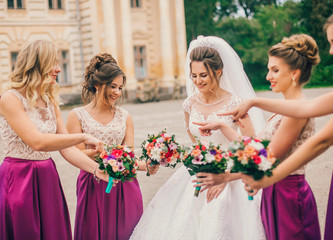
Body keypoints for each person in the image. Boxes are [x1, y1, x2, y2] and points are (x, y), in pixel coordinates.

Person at [211, 1, 333, 239]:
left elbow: (322, 140)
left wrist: (267, 177)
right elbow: (307, 106)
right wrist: (254, 102)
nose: (331, 51)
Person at [130, 36, 266, 240]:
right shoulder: (189, 104)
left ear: (218, 72)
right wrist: (197, 155)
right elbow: (190, 131)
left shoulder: (236, 103)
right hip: (196, 171)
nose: (198, 81)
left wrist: (225, 174)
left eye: (204, 75)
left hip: (230, 174)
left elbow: (253, 146)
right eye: (194, 75)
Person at [194, 34, 322, 239]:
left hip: (288, 194)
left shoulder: (295, 113)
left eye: (275, 70)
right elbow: (254, 148)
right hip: (275, 192)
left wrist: (225, 177)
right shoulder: (284, 110)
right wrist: (222, 127)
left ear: (294, 74)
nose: (268, 76)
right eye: (269, 69)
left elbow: (265, 160)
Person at [0, 39, 108, 240]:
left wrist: (97, 170)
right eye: (53, 63)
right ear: (36, 64)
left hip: (47, 177)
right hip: (19, 178)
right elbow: (37, 141)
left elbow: (67, 148)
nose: (58, 69)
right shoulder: (10, 99)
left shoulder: (50, 100)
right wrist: (84, 136)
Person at [66, 53, 159, 240]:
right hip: (93, 182)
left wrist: (147, 166)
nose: (117, 92)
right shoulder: (77, 116)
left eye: (120, 87)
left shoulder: (125, 116)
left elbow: (129, 156)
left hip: (125, 184)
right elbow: (74, 155)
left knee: (128, 232)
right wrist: (99, 153)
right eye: (112, 86)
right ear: (98, 84)